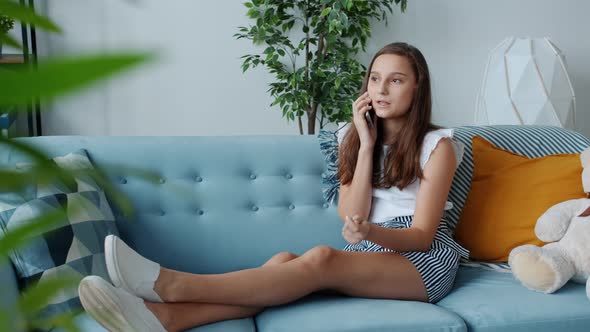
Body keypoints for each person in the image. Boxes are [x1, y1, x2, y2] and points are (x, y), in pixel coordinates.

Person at [78, 42, 468, 332]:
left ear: (417, 88)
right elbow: (351, 214)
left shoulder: (439, 146)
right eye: (375, 78)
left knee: (320, 258)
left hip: (423, 262)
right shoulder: (353, 135)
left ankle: (172, 284)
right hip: (370, 248)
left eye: (396, 80)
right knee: (282, 263)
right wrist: (366, 146)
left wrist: (369, 231)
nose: (381, 89)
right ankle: (163, 319)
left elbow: (421, 236)